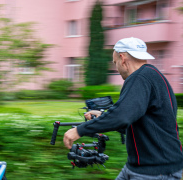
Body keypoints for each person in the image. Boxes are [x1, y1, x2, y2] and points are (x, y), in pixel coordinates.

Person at [63, 37, 183, 179]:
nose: (117, 68)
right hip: (142, 167)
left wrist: (79, 130)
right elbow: (133, 120)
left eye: (115, 63)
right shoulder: (153, 75)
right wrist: (103, 116)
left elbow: (122, 116)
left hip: (154, 171)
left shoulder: (139, 78)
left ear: (122, 58)